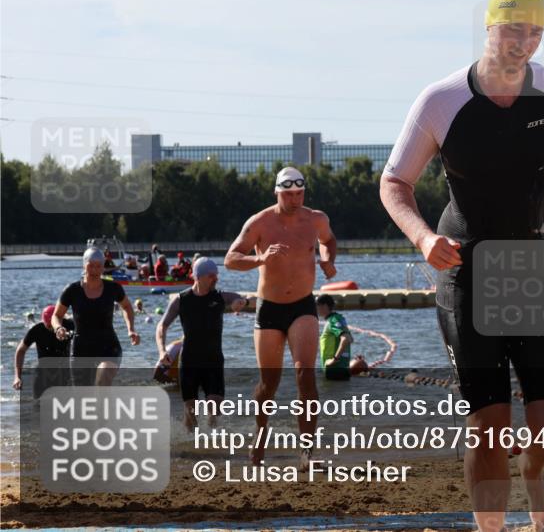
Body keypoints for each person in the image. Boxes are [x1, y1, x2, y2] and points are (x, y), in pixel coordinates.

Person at [379, 0, 544, 532]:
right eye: (512, 27)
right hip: (469, 273)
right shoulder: (443, 98)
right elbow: (394, 183)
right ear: (489, 27)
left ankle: (534, 473)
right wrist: (423, 238)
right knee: (489, 424)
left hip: (539, 274)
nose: (522, 40)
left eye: (533, 31)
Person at [225, 166, 337, 468]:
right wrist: (260, 258)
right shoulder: (260, 222)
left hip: (302, 306)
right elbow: (231, 259)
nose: (295, 199)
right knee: (268, 384)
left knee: (305, 375)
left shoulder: (316, 219)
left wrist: (327, 261)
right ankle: (259, 437)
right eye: (288, 194)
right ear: (277, 192)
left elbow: (329, 240)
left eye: (299, 193)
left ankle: (307, 453)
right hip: (269, 309)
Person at [155, 257, 249, 431]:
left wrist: (241, 301)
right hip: (189, 361)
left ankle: (210, 444)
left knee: (215, 409)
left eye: (217, 275)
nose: (216, 279)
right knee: (191, 414)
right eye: (212, 276)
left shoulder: (219, 297)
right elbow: (162, 326)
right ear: (198, 277)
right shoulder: (181, 300)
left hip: (214, 361)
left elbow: (238, 297)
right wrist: (162, 351)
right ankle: (189, 445)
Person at [52, 247, 139, 386]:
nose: (94, 270)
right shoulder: (72, 290)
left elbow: (127, 307)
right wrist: (58, 328)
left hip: (108, 347)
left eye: (98, 266)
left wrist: (131, 329)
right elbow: (56, 315)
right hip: (81, 348)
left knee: (103, 375)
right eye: (90, 266)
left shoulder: (113, 288)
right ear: (83, 265)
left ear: (103, 267)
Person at [13, 305, 74, 399]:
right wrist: (17, 377)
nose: (53, 329)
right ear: (44, 322)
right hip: (43, 373)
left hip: (64, 372)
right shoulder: (37, 330)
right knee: (37, 406)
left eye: (54, 325)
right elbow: (21, 350)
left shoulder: (70, 326)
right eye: (49, 326)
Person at [316, 294, 353, 381]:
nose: (315, 308)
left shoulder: (333, 320)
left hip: (334, 368)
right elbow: (351, 339)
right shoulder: (339, 318)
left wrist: (334, 359)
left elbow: (346, 339)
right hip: (343, 368)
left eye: (316, 305)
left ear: (324, 306)